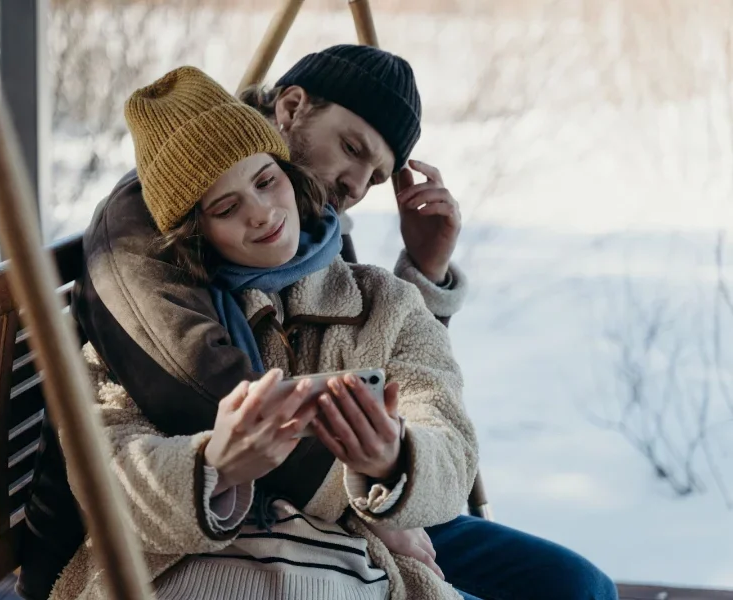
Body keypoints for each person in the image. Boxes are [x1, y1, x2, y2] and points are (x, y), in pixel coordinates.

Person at [17, 46, 617, 600]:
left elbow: (420, 389)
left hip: (355, 511)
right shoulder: (149, 233)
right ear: (292, 109)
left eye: (377, 177)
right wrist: (232, 467)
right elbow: (167, 405)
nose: (357, 185)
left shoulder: (339, 256)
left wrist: (395, 460)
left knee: (579, 587)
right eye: (353, 150)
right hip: (231, 532)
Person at [50, 65, 477, 600]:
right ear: (195, 230)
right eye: (226, 208)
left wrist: (394, 462)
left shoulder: (383, 303)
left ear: (289, 178)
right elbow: (105, 465)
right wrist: (212, 467)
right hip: (194, 571)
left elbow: (449, 438)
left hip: (345, 565)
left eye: (266, 182)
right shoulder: (162, 310)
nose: (261, 213)